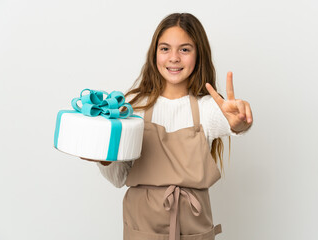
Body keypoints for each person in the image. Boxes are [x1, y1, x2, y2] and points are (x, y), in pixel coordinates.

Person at [85, 12, 253, 240]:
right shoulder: (135, 108)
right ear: (155, 54)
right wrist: (103, 158)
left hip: (192, 226)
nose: (174, 57)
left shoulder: (207, 108)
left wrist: (239, 123)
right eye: (165, 49)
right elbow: (119, 177)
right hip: (142, 226)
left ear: (198, 55)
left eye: (184, 49)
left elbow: (230, 123)